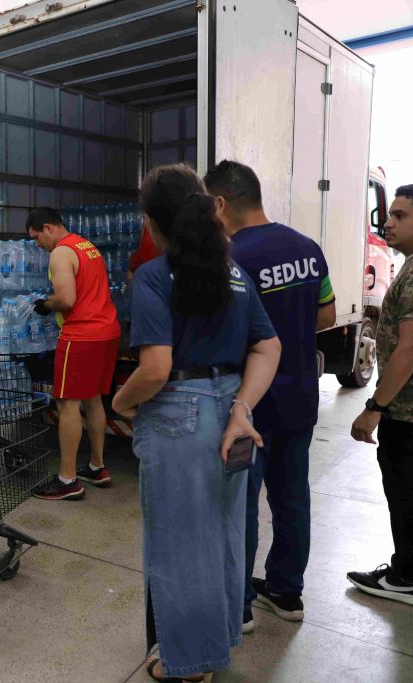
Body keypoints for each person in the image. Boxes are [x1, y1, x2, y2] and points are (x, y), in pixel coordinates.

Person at [111, 165, 280, 681]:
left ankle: (187, 664)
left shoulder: (154, 277)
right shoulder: (233, 272)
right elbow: (268, 345)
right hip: (230, 411)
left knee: (178, 542)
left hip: (178, 413)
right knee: (223, 537)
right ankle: (214, 643)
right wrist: (241, 408)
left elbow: (156, 369)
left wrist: (119, 402)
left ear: (151, 222)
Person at [205, 160, 337, 632]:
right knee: (292, 497)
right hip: (301, 395)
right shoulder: (308, 248)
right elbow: (326, 317)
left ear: (220, 203)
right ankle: (286, 592)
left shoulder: (231, 257)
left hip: (249, 403)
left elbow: (222, 332)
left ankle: (239, 606)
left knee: (240, 503)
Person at [26, 207, 121, 500]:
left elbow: (67, 299)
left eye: (36, 237)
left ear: (48, 227)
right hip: (107, 331)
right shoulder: (87, 246)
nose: (37, 244)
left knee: (67, 404)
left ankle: (67, 481)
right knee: (93, 399)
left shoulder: (60, 253)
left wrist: (45, 304)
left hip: (81, 334)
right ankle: (97, 466)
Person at [349, 184, 413, 606]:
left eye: (400, 215)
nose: (387, 222)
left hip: (406, 413)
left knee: (405, 493)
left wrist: (374, 408)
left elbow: (409, 349)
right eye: (389, 214)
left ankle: (406, 578)